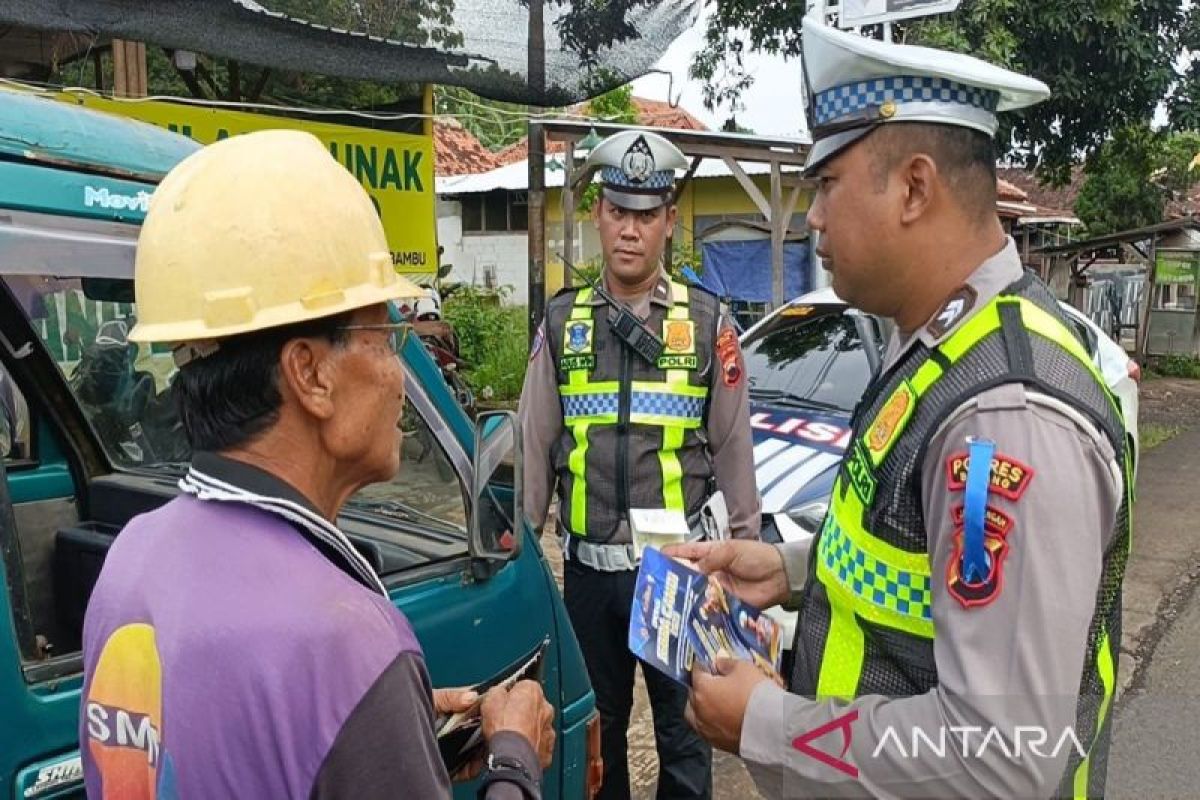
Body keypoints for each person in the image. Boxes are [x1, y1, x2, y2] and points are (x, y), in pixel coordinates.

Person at [667, 15, 1133, 799]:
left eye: (828, 184)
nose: (813, 218)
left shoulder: (1006, 419)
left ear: (915, 187)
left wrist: (767, 723)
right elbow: (919, 554)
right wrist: (788, 570)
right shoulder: (932, 348)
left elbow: (1001, 755)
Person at [79, 130, 554, 799]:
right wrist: (514, 758)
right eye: (386, 339)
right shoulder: (346, 643)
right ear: (309, 374)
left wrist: (387, 741)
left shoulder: (132, 558)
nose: (397, 378)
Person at [520, 129, 761, 799]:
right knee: (597, 736)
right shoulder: (562, 323)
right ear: (598, 214)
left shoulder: (707, 322)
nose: (630, 230)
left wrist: (747, 553)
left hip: (677, 571)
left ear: (669, 221)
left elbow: (734, 450)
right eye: (618, 211)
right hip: (589, 576)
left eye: (646, 214)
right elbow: (534, 444)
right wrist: (519, 555)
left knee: (687, 736)